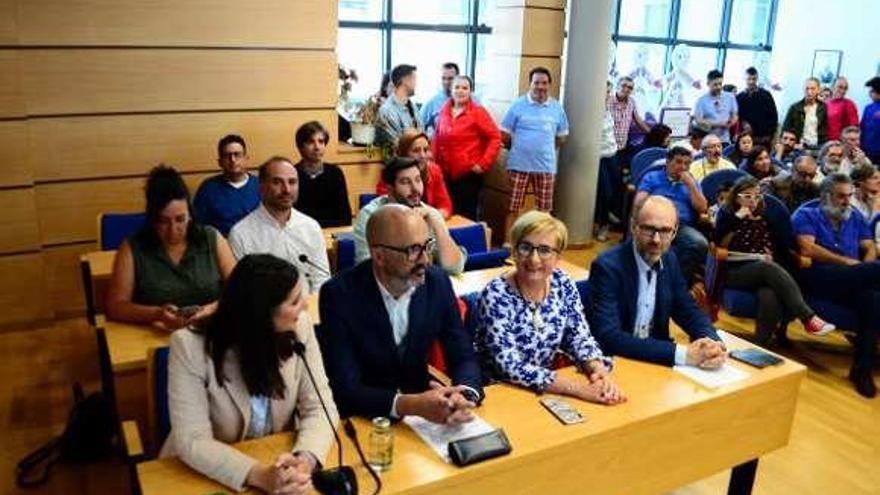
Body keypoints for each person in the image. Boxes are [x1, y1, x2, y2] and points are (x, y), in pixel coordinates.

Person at [163, 254, 337, 494]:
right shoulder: (188, 346)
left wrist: (304, 462)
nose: (305, 306)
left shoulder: (300, 326)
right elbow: (192, 440)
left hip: (279, 462)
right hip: (210, 475)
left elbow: (320, 406)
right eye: (295, 301)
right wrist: (261, 476)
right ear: (262, 315)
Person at [319, 205, 484, 421]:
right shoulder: (339, 295)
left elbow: (462, 355)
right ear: (379, 256)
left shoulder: (437, 282)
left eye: (427, 246)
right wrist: (410, 404)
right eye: (413, 250)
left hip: (426, 413)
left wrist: (464, 395)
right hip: (365, 417)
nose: (425, 259)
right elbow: (346, 388)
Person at [476, 211, 625, 405]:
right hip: (499, 391)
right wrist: (577, 388)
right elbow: (509, 366)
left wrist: (597, 369)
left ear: (558, 256)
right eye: (525, 247)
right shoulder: (496, 294)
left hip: (545, 390)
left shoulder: (563, 283)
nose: (534, 259)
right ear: (514, 251)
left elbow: (578, 336)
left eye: (545, 250)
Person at [588, 195, 726, 368]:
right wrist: (684, 354)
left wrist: (712, 342)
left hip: (656, 362)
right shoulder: (607, 266)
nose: (656, 240)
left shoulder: (669, 260)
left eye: (665, 231)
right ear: (633, 227)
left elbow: (688, 310)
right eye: (648, 229)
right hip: (615, 363)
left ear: (675, 232)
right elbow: (609, 337)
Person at [106, 165, 236, 328]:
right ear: (152, 219)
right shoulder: (132, 247)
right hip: (155, 336)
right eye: (163, 221)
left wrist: (213, 308)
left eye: (180, 219)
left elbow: (240, 288)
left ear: (190, 214)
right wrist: (156, 313)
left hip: (211, 331)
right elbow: (115, 306)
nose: (173, 230)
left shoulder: (211, 238)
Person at [714, 176, 834, 344]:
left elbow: (783, 245)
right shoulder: (728, 214)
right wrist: (738, 217)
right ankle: (808, 317)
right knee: (765, 268)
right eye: (747, 196)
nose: (753, 200)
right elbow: (719, 242)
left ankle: (760, 345)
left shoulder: (768, 215)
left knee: (769, 294)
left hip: (766, 271)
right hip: (735, 271)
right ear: (736, 197)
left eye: (756, 196)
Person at [792, 173, 879, 397]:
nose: (846, 201)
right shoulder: (807, 214)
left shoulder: (855, 216)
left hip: (853, 279)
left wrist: (863, 269)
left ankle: (862, 369)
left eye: (849, 195)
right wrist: (849, 263)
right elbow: (807, 249)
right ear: (825, 196)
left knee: (872, 298)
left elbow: (869, 247)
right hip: (820, 277)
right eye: (841, 196)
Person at [229, 157, 330, 294]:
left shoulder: (311, 227)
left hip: (307, 308)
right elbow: (241, 292)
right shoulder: (241, 234)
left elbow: (321, 279)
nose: (287, 190)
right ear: (261, 187)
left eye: (292, 182)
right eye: (277, 182)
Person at [354, 156, 465, 274]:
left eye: (418, 180)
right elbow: (369, 268)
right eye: (406, 182)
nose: (415, 188)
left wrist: (437, 222)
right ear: (390, 189)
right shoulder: (371, 215)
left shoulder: (428, 213)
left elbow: (455, 268)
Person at [500, 66, 569, 240]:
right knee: (513, 208)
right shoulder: (517, 105)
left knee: (544, 211)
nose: (540, 86)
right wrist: (522, 148)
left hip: (545, 167)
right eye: (536, 82)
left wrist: (542, 149)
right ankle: (509, 243)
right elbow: (505, 134)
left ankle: (542, 242)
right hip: (518, 165)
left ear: (550, 85)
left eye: (544, 83)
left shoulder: (557, 108)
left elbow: (561, 137)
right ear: (530, 84)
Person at [636, 146, 709, 285]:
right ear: (668, 162)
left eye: (687, 163)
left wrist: (691, 186)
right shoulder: (652, 177)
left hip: (681, 226)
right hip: (656, 223)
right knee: (654, 245)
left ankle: (675, 284)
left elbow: (703, 208)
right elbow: (639, 202)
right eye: (678, 162)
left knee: (699, 244)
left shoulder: (692, 181)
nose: (683, 167)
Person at [433, 74, 501, 220]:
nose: (460, 91)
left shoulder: (478, 112)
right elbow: (437, 139)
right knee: (446, 213)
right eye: (457, 87)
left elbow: (495, 138)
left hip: (468, 174)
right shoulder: (444, 112)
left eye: (465, 88)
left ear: (471, 91)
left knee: (466, 215)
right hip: (445, 173)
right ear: (451, 90)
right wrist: (433, 164)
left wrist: (483, 164)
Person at [376, 128, 453, 218]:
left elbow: (446, 208)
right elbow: (386, 212)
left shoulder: (434, 170)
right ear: (403, 154)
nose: (423, 156)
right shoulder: (390, 174)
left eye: (425, 150)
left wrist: (428, 213)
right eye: (416, 151)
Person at [193, 135, 261, 236]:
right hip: (222, 247)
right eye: (227, 155)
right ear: (220, 162)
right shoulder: (207, 189)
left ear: (246, 158)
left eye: (237, 154)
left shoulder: (261, 185)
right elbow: (197, 227)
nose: (233, 160)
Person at [293, 121, 352, 228]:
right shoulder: (292, 174)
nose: (317, 147)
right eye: (311, 142)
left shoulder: (335, 173)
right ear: (301, 146)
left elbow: (346, 218)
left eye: (321, 142)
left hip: (331, 232)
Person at [419, 62, 479, 137]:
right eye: (443, 78)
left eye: (450, 78)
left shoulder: (474, 100)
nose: (446, 82)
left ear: (458, 78)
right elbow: (418, 127)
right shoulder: (432, 102)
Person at [595, 81, 622, 241]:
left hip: (612, 154)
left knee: (616, 189)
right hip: (599, 158)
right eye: (604, 91)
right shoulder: (591, 111)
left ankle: (608, 215)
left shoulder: (608, 109)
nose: (606, 95)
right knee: (605, 192)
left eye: (608, 92)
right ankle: (603, 225)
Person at [607, 76, 651, 165]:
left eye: (630, 87)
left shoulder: (632, 102)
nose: (626, 89)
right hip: (608, 146)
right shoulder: (608, 100)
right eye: (624, 85)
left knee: (618, 174)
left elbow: (638, 120)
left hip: (622, 146)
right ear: (617, 86)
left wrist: (652, 134)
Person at [376, 64, 421, 147]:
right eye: (414, 79)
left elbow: (422, 136)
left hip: (418, 157)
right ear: (405, 81)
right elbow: (398, 145)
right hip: (402, 159)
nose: (416, 83)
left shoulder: (413, 108)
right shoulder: (386, 111)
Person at [693, 69, 738, 144]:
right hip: (708, 140)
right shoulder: (701, 101)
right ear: (708, 83)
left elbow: (735, 115)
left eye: (720, 84)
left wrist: (731, 122)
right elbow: (698, 120)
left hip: (725, 140)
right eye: (715, 84)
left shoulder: (730, 97)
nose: (718, 87)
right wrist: (716, 124)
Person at [736, 67, 778, 146]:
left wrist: (770, 135)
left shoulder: (766, 95)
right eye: (749, 79)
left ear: (757, 78)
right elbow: (737, 116)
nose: (751, 82)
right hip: (745, 137)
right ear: (744, 78)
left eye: (754, 79)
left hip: (764, 137)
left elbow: (773, 116)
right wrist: (743, 123)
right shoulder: (739, 97)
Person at [783, 78, 828, 151]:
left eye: (813, 89)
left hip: (817, 147)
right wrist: (792, 144)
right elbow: (785, 129)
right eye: (807, 88)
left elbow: (825, 130)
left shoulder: (823, 107)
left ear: (818, 90)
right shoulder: (795, 107)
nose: (809, 91)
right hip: (798, 146)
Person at [825, 77, 860, 141]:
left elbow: (854, 128)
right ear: (832, 87)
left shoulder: (849, 104)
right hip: (825, 142)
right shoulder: (827, 103)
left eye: (845, 88)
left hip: (839, 144)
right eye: (840, 87)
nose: (843, 91)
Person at [861, 77, 880, 165]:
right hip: (865, 150)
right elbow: (862, 127)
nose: (869, 93)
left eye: (872, 90)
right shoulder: (868, 108)